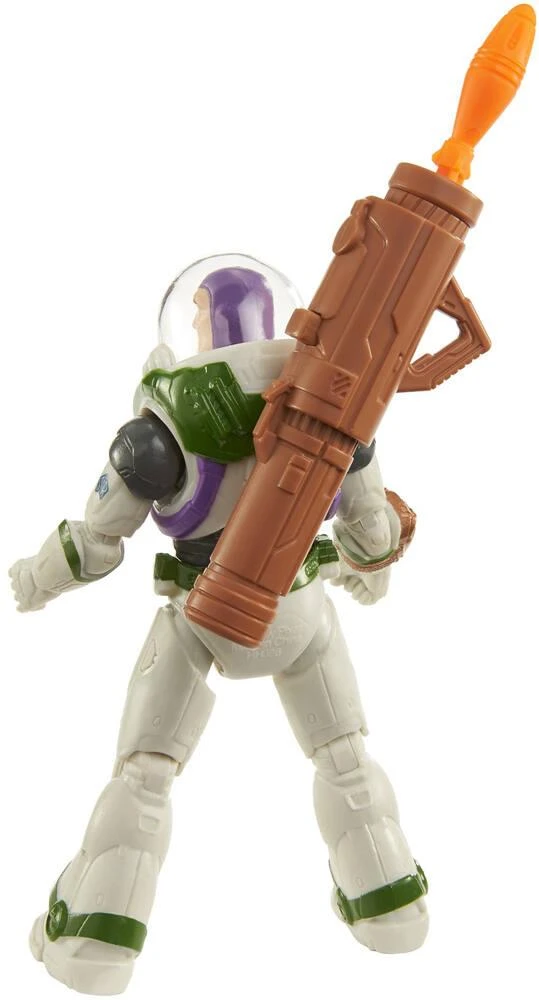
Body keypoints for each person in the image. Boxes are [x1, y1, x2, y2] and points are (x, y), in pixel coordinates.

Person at [9, 256, 427, 996]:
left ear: (198, 325)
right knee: (343, 757)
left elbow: (95, 544)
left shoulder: (158, 430)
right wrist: (370, 563)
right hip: (301, 611)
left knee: (146, 774)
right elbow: (372, 534)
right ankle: (390, 908)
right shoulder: (335, 402)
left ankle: (95, 944)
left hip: (203, 615)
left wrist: (34, 579)